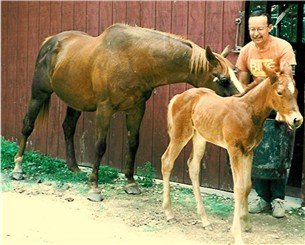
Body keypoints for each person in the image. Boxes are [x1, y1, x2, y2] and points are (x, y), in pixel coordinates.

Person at [235, 9, 297, 218]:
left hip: (280, 105)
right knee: (258, 150)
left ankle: (278, 199)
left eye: (260, 29)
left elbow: (288, 79)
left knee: (279, 151)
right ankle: (262, 198)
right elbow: (243, 81)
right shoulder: (246, 51)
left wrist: (283, 110)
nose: (256, 33)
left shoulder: (283, 47)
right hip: (257, 109)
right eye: (252, 29)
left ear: (269, 28)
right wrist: (242, 104)